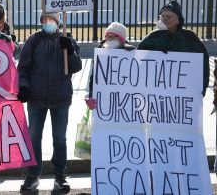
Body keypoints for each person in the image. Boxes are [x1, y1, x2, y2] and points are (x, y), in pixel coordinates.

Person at [17, 12, 82, 192]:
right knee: (34, 137)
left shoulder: (67, 39)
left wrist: (69, 50)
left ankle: (60, 176)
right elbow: (23, 67)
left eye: (51, 20)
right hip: (36, 99)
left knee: (60, 139)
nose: (48, 22)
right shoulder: (34, 40)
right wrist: (24, 87)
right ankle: (32, 175)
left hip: (61, 98)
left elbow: (76, 66)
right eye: (45, 20)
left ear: (58, 22)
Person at [138, 0, 209, 96]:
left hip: (183, 92)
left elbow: (202, 62)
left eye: (168, 17)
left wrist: (202, 87)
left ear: (178, 20)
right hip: (156, 91)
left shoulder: (189, 38)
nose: (164, 19)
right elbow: (138, 59)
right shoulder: (152, 37)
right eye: (162, 16)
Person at [86, 22, 135, 109]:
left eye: (111, 36)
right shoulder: (100, 52)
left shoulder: (130, 53)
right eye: (107, 36)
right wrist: (91, 96)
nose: (108, 38)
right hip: (103, 99)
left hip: (123, 100)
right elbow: (93, 78)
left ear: (120, 38)